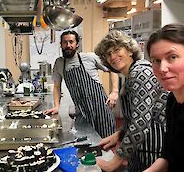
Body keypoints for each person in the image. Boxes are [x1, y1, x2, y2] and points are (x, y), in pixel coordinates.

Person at [94, 30, 167, 172]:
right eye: (108, 54)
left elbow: (140, 123)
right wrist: (119, 134)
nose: (113, 56)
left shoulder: (140, 73)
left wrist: (113, 163)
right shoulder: (131, 74)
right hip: (143, 154)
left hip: (154, 156)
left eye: (116, 50)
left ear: (129, 50)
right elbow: (139, 114)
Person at [44, 30, 118, 138]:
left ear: (77, 44)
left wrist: (114, 91)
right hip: (81, 113)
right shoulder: (59, 63)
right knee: (86, 144)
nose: (68, 45)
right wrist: (56, 106)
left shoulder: (89, 57)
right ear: (61, 44)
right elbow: (56, 86)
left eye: (71, 42)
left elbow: (113, 69)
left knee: (107, 145)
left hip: (101, 110)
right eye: (65, 42)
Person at [143, 23, 184, 172]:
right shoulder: (172, 101)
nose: (162, 69)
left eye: (172, 57)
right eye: (156, 60)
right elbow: (168, 156)